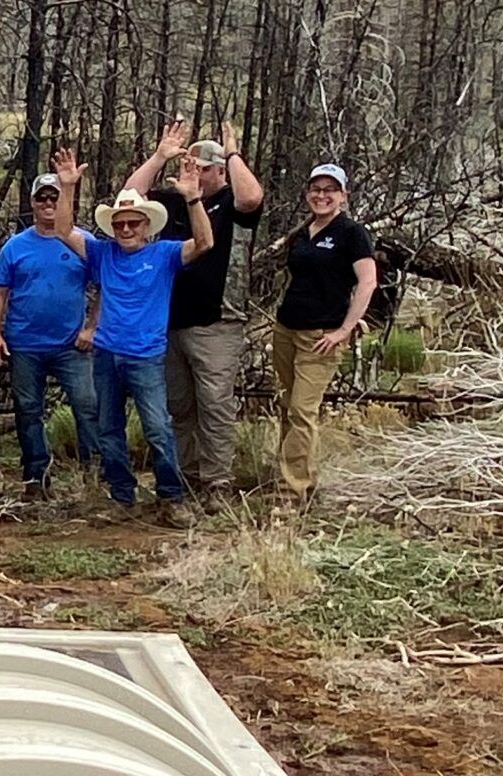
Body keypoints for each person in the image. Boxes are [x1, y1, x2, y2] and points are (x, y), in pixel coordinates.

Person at [55, 150, 214, 525]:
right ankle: (121, 496)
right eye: (120, 224)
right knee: (109, 429)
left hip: (146, 356)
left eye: (133, 224)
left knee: (158, 427)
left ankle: (171, 498)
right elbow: (64, 231)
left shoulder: (165, 254)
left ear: (147, 225)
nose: (126, 230)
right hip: (107, 354)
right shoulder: (102, 253)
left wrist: (192, 196)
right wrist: (66, 187)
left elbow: (205, 243)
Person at [123, 117, 265, 504]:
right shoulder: (172, 201)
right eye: (193, 166)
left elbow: (253, 197)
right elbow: (130, 196)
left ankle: (217, 482)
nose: (197, 174)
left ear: (221, 170)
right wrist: (160, 156)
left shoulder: (232, 204)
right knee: (179, 406)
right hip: (168, 320)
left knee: (214, 403)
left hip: (218, 320)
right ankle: (186, 477)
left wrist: (232, 150)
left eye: (206, 168)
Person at [0, 170, 102, 496]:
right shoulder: (16, 246)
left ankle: (93, 477)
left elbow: (106, 286)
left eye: (55, 197)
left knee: (87, 405)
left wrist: (92, 327)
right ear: (33, 203)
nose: (49, 203)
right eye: (43, 198)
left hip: (71, 345)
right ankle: (36, 477)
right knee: (28, 410)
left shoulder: (83, 243)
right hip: (25, 344)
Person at [271, 162, 377, 504]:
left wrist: (345, 329)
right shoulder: (303, 232)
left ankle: (290, 493)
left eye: (329, 190)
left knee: (303, 409)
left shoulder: (351, 233)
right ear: (307, 195)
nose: (322, 196)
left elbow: (368, 282)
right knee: (288, 405)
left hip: (321, 334)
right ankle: (302, 479)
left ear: (343, 196)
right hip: (287, 328)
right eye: (316, 189)